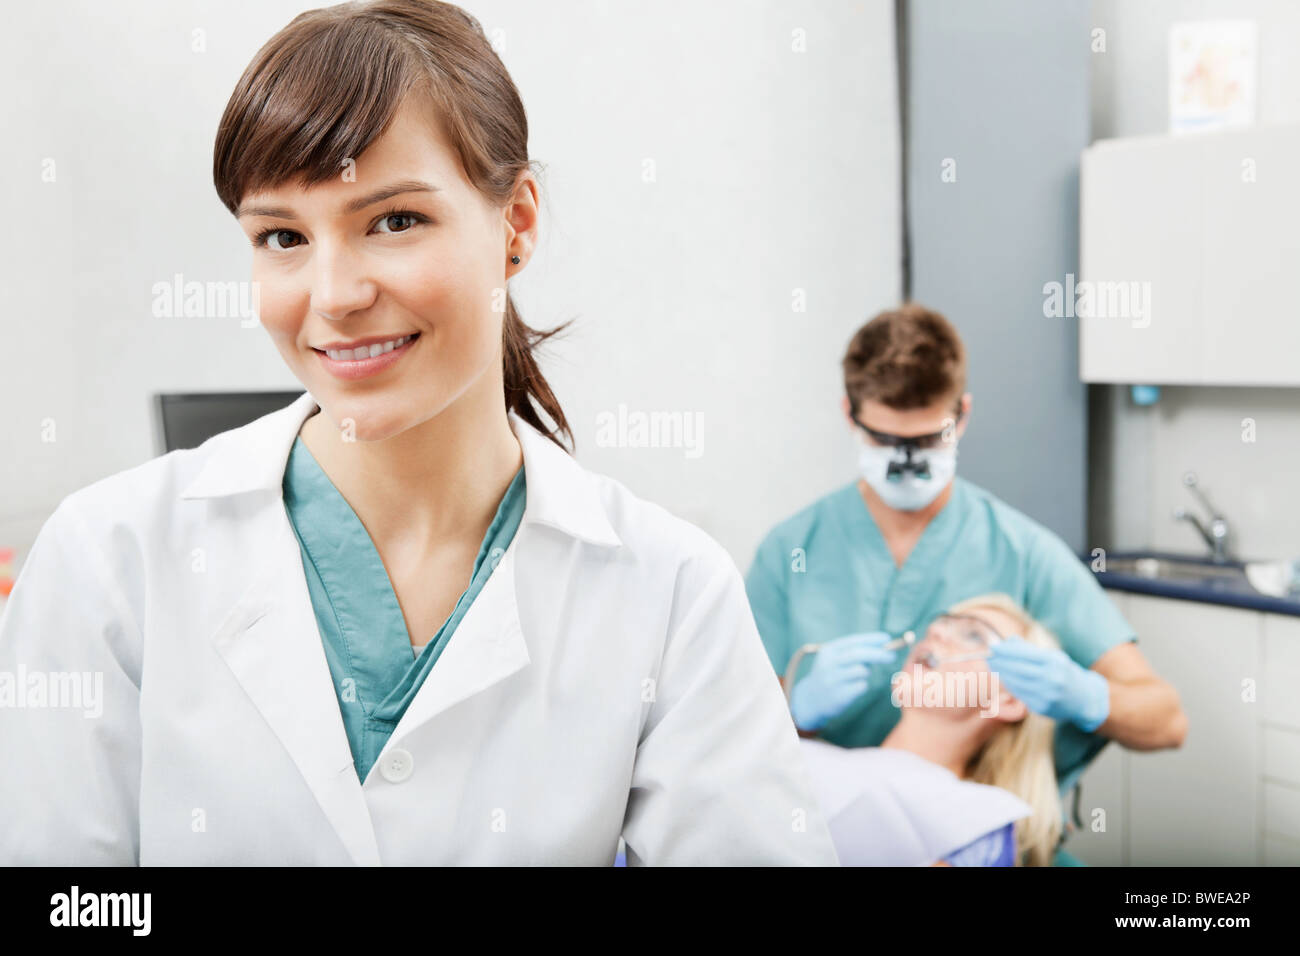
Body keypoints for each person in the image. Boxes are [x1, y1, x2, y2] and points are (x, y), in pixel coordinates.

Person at [0, 0, 836, 866]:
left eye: (393, 221)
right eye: (282, 235)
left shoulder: (669, 591)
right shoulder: (110, 559)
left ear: (516, 225)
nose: (333, 294)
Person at [745, 303, 1186, 856]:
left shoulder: (1024, 554)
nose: (938, 636)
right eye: (885, 440)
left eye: (928, 440)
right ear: (849, 415)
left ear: (964, 415)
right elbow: (726, 738)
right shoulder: (792, 552)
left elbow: (1167, 721)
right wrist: (793, 711)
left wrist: (1085, 695)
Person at [798, 594, 1066, 866]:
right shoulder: (805, 757)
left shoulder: (975, 821)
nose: (935, 632)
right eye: (941, 623)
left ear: (1008, 701)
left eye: (975, 636)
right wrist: (790, 721)